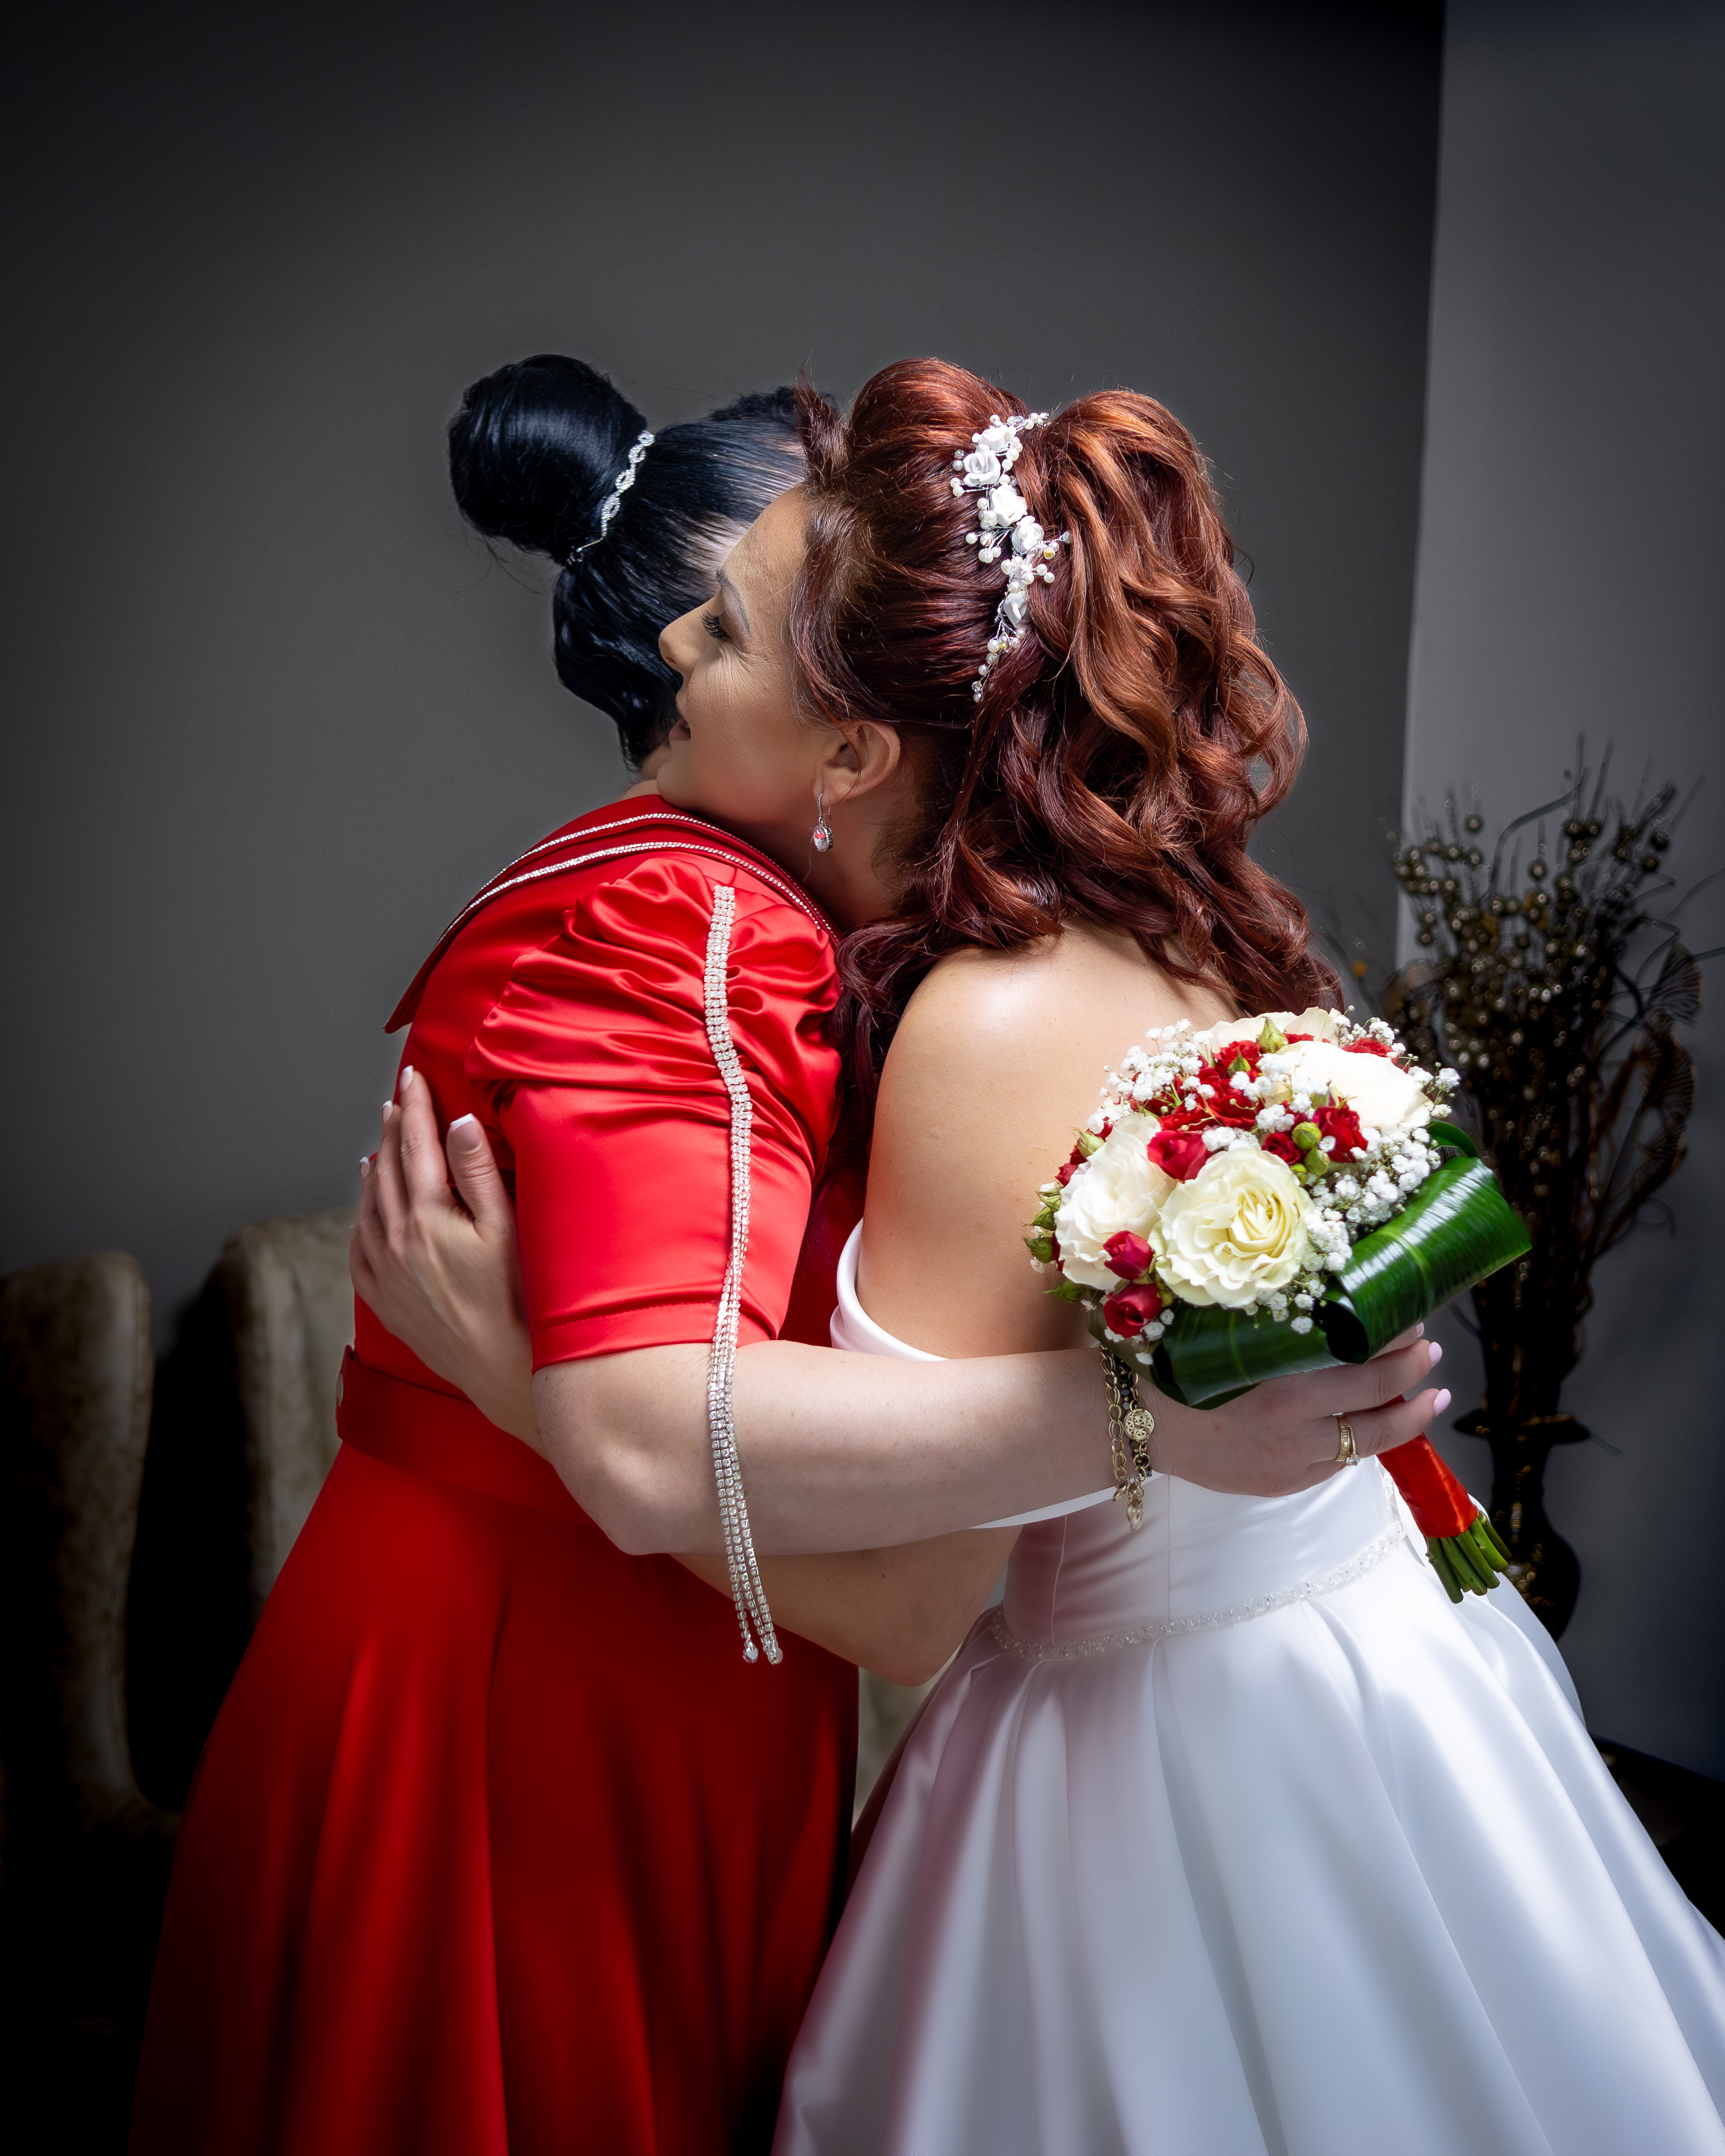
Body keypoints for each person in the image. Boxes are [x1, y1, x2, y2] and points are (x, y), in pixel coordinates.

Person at [359, 360, 1725, 2155]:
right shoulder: (1183, 922)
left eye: (726, 627)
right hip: (1377, 1676)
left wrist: (517, 1384)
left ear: (855, 753)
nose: (672, 645)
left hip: (1161, 1767)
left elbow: (908, 1608)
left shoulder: (981, 1024)